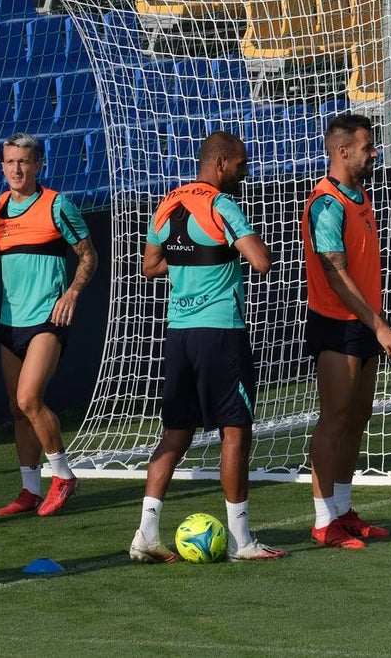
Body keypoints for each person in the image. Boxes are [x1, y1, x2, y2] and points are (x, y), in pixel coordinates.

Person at [129, 131, 287, 564]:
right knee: (235, 431)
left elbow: (149, 266)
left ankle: (146, 534)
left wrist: (193, 257)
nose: (244, 171)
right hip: (220, 332)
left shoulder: (167, 203)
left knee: (176, 432)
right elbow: (261, 261)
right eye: (240, 164)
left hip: (179, 333)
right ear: (219, 163)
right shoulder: (221, 205)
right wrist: (235, 249)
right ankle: (241, 540)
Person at [0, 133, 98, 517]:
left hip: (48, 319)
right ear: (2, 167)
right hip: (10, 322)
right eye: (10, 162)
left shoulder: (58, 205)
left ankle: (63, 476)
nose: (17, 169)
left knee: (29, 400)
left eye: (24, 162)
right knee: (17, 410)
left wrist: (72, 293)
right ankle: (30, 490)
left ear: (38, 165)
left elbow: (88, 256)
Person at [301, 113, 391, 550]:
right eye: (367, 147)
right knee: (335, 419)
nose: (375, 152)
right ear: (342, 151)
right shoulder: (326, 204)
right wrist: (379, 326)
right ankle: (323, 520)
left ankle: (343, 511)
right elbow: (335, 275)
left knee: (359, 414)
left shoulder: (358, 194)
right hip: (337, 325)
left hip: (362, 323)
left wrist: (373, 322)